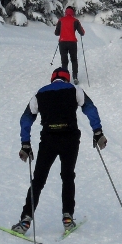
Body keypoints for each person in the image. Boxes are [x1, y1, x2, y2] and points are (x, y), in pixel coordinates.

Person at [12, 67, 108, 234]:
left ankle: (25, 220)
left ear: (52, 79)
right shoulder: (75, 89)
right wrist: (97, 132)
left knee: (39, 180)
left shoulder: (39, 93)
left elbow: (26, 118)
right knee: (68, 176)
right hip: (70, 139)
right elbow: (90, 109)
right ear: (67, 78)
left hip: (48, 140)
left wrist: (25, 144)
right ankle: (67, 218)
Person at [55, 6, 85, 84]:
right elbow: (82, 32)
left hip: (62, 43)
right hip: (72, 43)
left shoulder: (61, 20)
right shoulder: (75, 21)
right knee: (74, 60)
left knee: (64, 61)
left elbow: (56, 33)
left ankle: (64, 78)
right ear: (73, 12)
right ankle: (75, 77)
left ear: (66, 12)